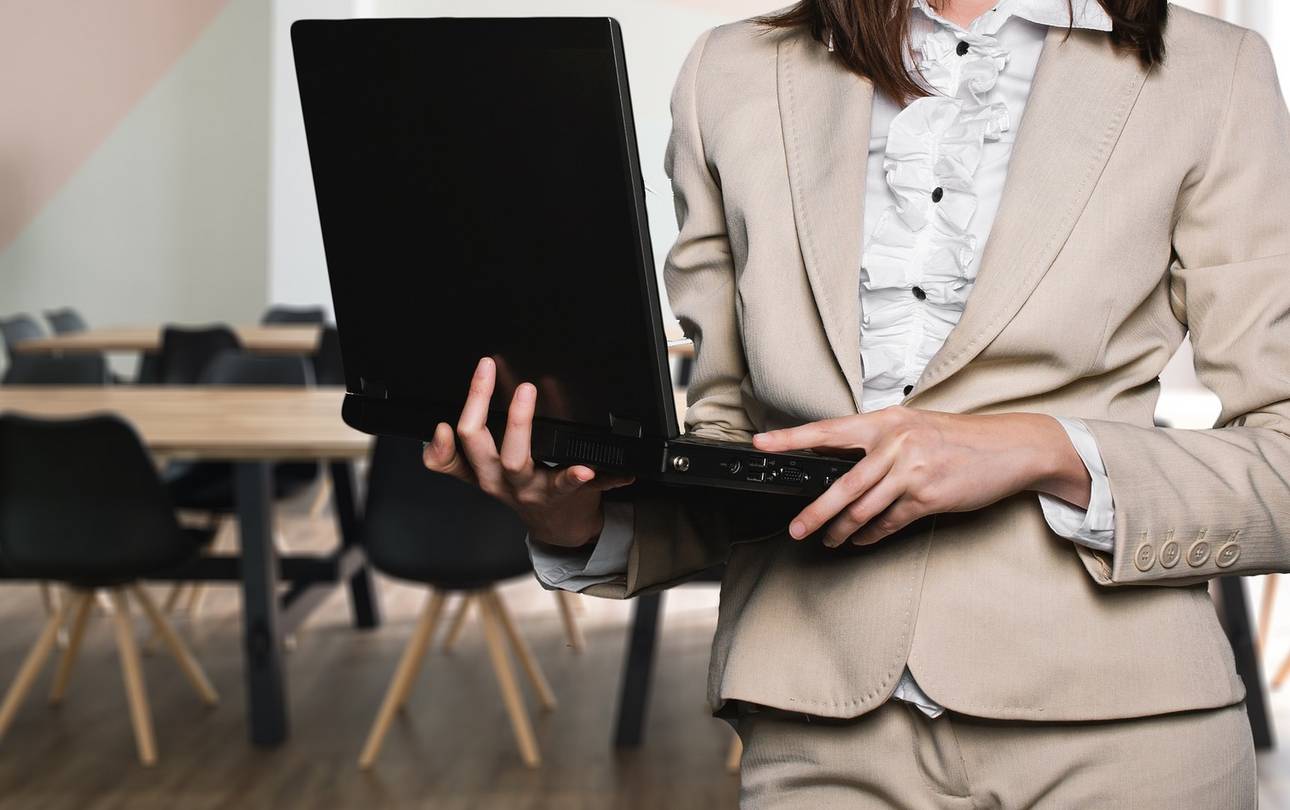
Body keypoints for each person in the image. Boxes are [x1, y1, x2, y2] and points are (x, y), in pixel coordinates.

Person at [424, 0, 1290, 805]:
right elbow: (735, 449)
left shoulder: (1211, 74)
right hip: (817, 726)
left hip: (1126, 729)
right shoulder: (731, 74)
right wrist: (571, 515)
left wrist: (1042, 448)